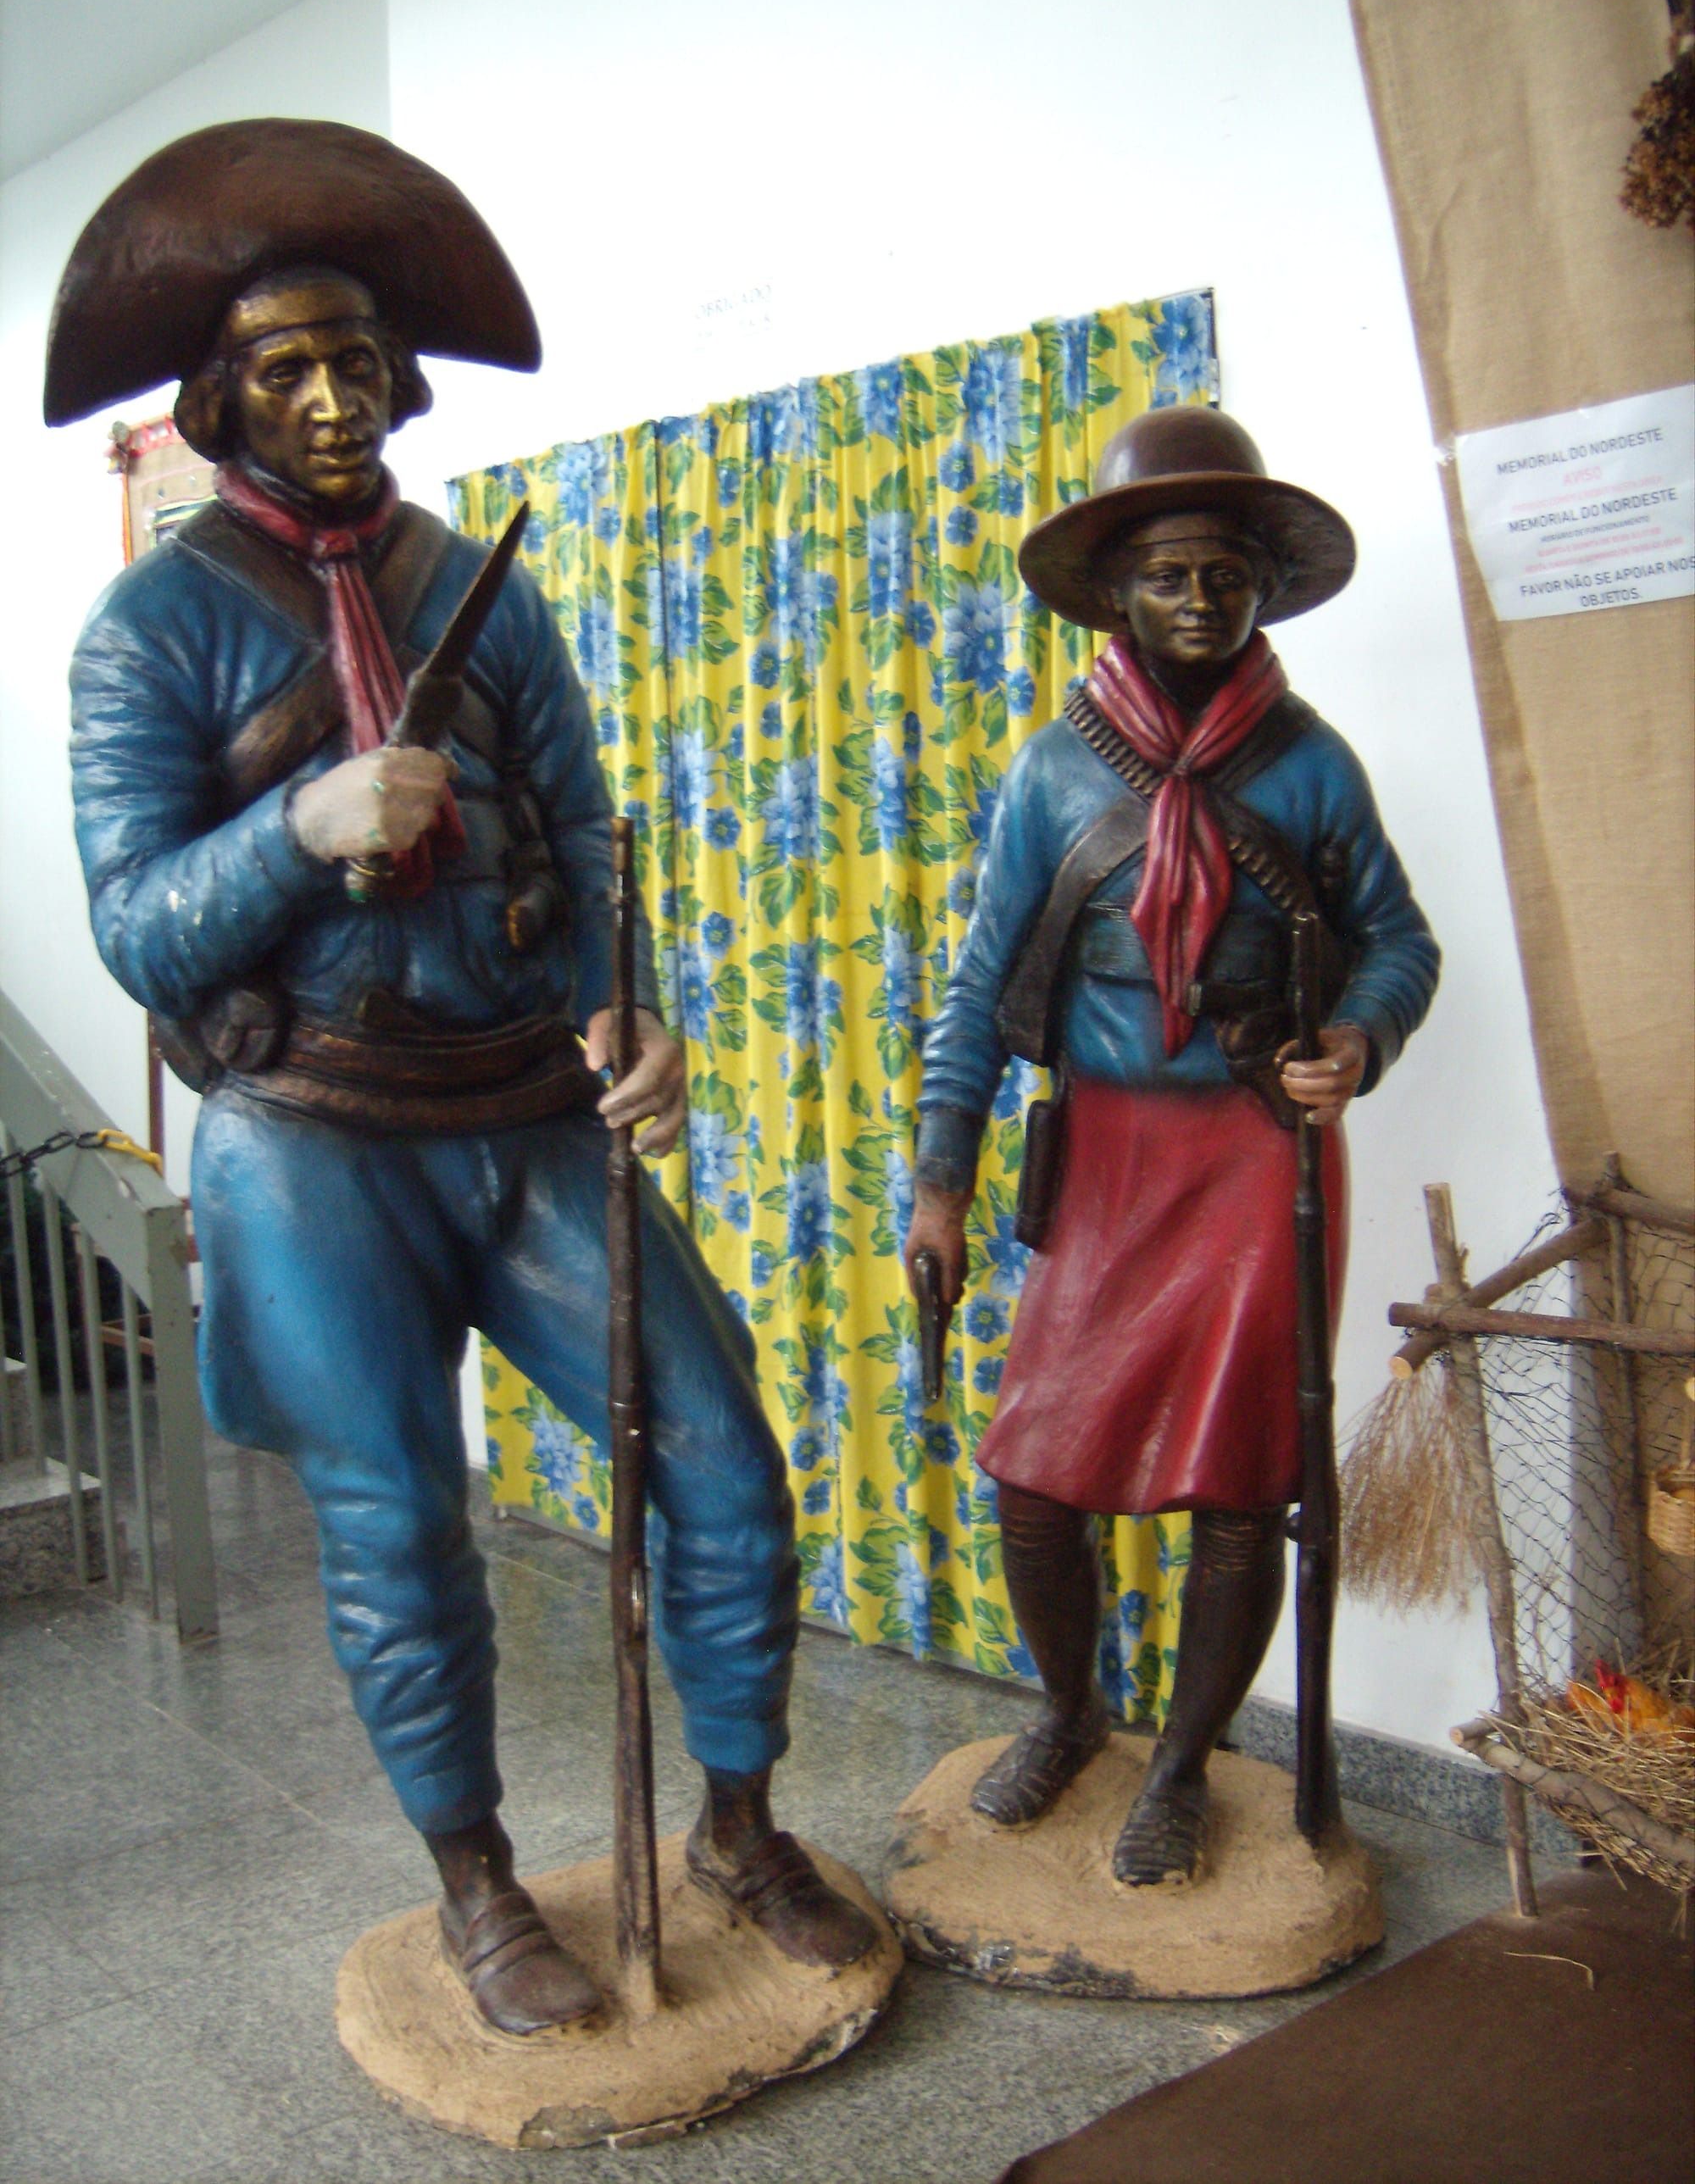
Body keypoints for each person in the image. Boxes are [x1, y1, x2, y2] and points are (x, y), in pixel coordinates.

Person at [49, 119, 874, 2033]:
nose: (333, 399)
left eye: (357, 360)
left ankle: (738, 1822)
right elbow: (139, 929)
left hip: (520, 1108)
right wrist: (300, 825)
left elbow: (578, 831)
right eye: (286, 370)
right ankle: (478, 1880)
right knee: (400, 1526)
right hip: (310, 1140)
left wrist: (627, 1006)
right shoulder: (149, 630)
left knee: (723, 1459)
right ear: (218, 404)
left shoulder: (476, 585)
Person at [904, 405, 1439, 1887]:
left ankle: (1188, 1767)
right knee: (1035, 1478)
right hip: (1108, 1158)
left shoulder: (1312, 766)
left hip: (1261, 1162)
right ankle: (1071, 1714)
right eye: (1169, 576)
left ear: (1263, 586)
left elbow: (1399, 942)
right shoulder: (1053, 771)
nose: (1201, 601)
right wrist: (941, 1182)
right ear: (1115, 593)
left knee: (1239, 1489)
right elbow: (977, 986)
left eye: (1226, 575)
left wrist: (1358, 1040)